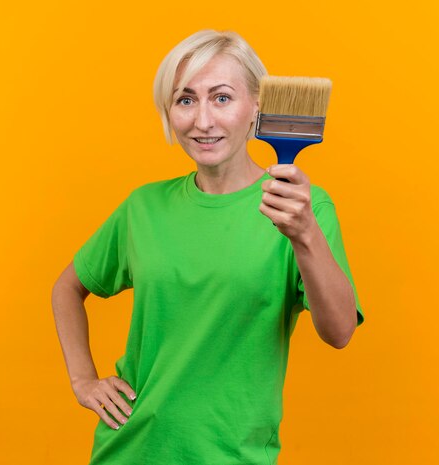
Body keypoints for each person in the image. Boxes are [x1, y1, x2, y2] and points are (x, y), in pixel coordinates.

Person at [51, 29, 365, 465]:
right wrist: (83, 381)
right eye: (185, 99)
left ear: (257, 104)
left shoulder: (304, 208)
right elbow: (67, 288)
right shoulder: (143, 207)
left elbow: (339, 332)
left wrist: (305, 235)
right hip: (128, 450)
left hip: (232, 456)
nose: (202, 121)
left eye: (221, 98)